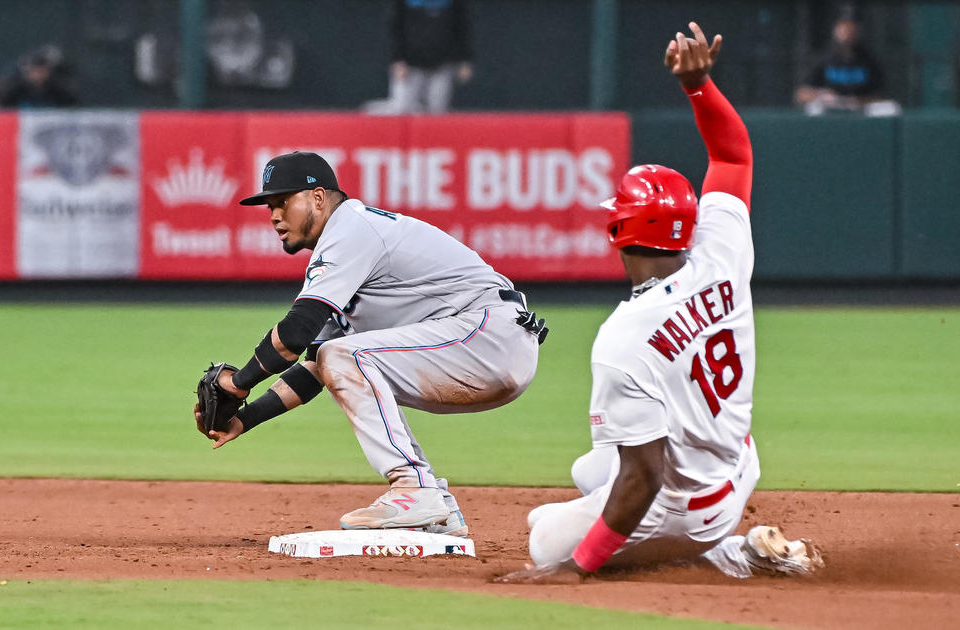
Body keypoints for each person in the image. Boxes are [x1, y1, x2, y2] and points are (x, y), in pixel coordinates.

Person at [498, 22, 822, 584]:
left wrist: (576, 567)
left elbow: (642, 480)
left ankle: (738, 554)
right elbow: (734, 155)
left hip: (687, 509)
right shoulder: (720, 249)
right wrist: (699, 87)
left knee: (544, 533)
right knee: (590, 466)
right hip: (737, 466)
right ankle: (728, 539)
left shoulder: (623, 339)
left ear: (619, 232)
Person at [193, 151, 547, 536]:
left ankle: (413, 489)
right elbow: (315, 366)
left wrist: (238, 382)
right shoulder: (344, 251)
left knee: (345, 355)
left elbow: (295, 334)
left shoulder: (351, 229)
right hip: (479, 343)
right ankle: (437, 509)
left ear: (318, 198)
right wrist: (245, 418)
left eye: (283, 202)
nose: (274, 215)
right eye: (269, 206)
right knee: (339, 357)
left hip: (487, 335)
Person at [794, 13, 896, 116]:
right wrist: (822, 95)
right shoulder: (823, 59)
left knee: (890, 108)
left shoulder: (869, 60)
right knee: (814, 108)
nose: (847, 36)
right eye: (843, 31)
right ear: (836, 32)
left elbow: (880, 95)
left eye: (851, 31)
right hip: (831, 108)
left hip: (861, 108)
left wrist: (857, 101)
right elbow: (801, 94)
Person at [386, 0, 473, 113]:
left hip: (441, 63)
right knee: (402, 108)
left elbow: (462, 27)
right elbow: (395, 27)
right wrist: (397, 59)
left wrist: (464, 59)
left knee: (437, 112)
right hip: (410, 64)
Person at [0, 49, 77, 108]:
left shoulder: (58, 90)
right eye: (35, 70)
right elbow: (2, 108)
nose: (38, 75)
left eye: (42, 70)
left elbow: (71, 108)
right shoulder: (15, 90)